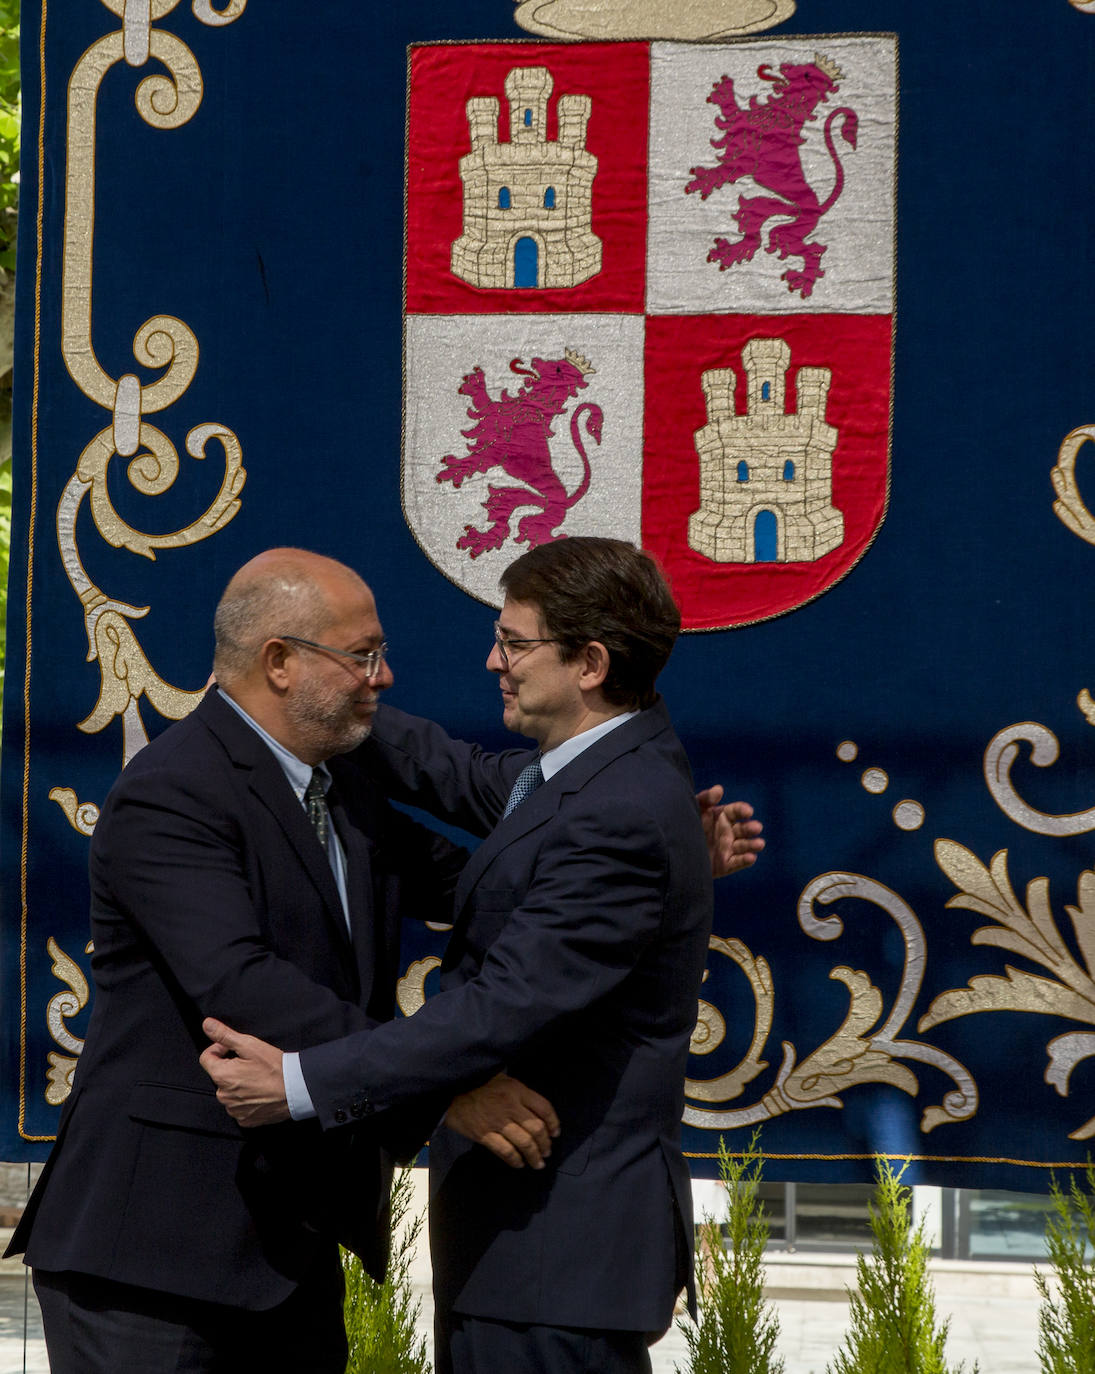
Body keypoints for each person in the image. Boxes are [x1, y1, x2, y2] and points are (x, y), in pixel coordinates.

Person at [201, 536, 763, 1374]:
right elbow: (453, 771)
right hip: (530, 1252)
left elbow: (498, 1007)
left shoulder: (622, 812)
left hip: (557, 1251)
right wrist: (307, 682)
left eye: (515, 642)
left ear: (590, 663)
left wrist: (298, 1082)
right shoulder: (602, 779)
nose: (492, 660)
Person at [7, 548, 548, 1373]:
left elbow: (473, 885)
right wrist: (446, 1084)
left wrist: (636, 851)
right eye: (361, 655)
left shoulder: (344, 786)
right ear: (280, 663)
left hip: (284, 1252)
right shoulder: (173, 790)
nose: (385, 676)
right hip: (150, 1260)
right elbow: (242, 985)